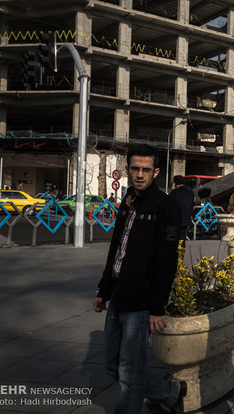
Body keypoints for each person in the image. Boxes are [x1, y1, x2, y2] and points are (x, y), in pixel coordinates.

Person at [93, 144, 186, 414]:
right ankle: (170, 392)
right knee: (112, 365)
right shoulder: (128, 201)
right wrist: (104, 289)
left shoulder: (165, 207)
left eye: (146, 169)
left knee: (129, 373)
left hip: (141, 303)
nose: (140, 174)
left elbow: (166, 262)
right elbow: (117, 248)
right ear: (128, 169)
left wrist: (157, 307)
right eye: (135, 168)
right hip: (118, 296)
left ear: (156, 172)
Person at [169, 175, 196, 240]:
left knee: (172, 239)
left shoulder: (174, 192)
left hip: (174, 220)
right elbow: (192, 204)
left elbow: (168, 204)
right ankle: (181, 249)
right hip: (186, 219)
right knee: (182, 238)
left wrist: (172, 190)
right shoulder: (191, 192)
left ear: (174, 183)